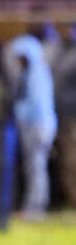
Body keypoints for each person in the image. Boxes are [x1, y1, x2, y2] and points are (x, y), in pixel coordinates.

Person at [7, 30, 58, 218]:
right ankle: (34, 205)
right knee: (35, 167)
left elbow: (34, 103)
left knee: (36, 167)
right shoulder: (36, 72)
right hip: (40, 124)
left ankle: (35, 207)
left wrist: (20, 113)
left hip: (37, 125)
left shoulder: (35, 75)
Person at [54, 25, 76, 208]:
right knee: (67, 160)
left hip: (72, 116)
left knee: (71, 159)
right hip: (62, 116)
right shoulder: (58, 53)